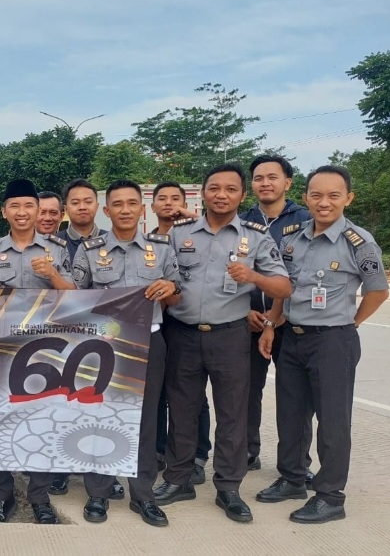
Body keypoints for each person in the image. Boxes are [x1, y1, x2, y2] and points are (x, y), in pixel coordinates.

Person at [153, 163, 292, 524]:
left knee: (232, 413)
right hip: (182, 333)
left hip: (230, 336)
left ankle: (229, 487)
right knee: (181, 410)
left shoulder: (256, 237)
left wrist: (254, 276)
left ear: (242, 195)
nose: (221, 195)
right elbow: (159, 277)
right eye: (214, 188)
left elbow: (283, 286)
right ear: (203, 193)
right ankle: (178, 479)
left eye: (231, 189)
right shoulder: (178, 234)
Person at [256, 166, 388, 523]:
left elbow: (378, 290)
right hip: (292, 337)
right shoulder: (293, 238)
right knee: (291, 414)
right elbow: (284, 288)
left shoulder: (358, 242)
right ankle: (293, 478)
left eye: (333, 195)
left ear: (348, 198)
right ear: (306, 197)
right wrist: (271, 324)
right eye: (316, 195)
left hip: (332, 341)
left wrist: (351, 323)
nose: (324, 202)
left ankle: (330, 497)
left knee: (332, 421)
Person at [71, 180, 181, 527]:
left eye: (132, 203)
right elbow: (74, 298)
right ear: (107, 210)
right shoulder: (90, 250)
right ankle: (98, 492)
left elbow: (177, 296)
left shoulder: (161, 249)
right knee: (99, 417)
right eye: (117, 204)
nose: (125, 210)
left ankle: (143, 494)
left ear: (142, 208)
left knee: (146, 419)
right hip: (102, 345)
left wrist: (170, 288)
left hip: (149, 341)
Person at [0, 179, 75, 524]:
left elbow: (77, 296)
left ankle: (39, 497)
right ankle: (2, 497)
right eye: (14, 206)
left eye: (29, 205)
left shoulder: (57, 250)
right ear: (4, 212)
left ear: (38, 210)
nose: (22, 212)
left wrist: (53, 274)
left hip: (46, 350)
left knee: (43, 422)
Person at [239, 155, 312, 475]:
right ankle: (246, 452)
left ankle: (296, 466)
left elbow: (307, 274)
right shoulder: (241, 221)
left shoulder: (307, 220)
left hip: (291, 323)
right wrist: (246, 311)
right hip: (249, 321)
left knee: (295, 397)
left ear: (288, 183)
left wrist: (277, 314)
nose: (265, 183)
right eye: (258, 178)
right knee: (245, 393)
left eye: (272, 177)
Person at [50, 179, 122, 499]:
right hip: (61, 336)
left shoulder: (113, 241)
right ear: (66, 208)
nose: (82, 206)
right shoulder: (52, 244)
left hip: (105, 338)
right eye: (75, 201)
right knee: (61, 403)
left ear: (98, 206)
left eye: (88, 201)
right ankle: (60, 469)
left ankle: (107, 472)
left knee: (102, 406)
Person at [150, 182, 211, 484]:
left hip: (187, 322)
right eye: (162, 198)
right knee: (158, 392)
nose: (169, 203)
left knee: (192, 394)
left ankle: (198, 455)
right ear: (152, 206)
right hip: (155, 324)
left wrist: (191, 217)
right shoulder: (146, 243)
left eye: (176, 198)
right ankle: (159, 449)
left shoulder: (197, 236)